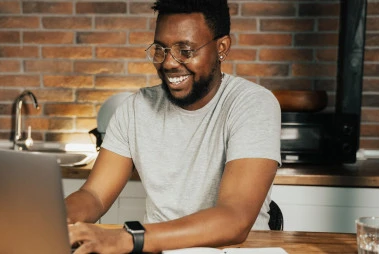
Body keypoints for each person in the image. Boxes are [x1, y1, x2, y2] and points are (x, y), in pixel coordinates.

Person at [65, 0, 281, 253]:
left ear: (222, 48)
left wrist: (126, 239)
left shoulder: (252, 104)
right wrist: (58, 220)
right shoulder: (135, 109)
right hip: (158, 249)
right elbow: (94, 195)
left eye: (185, 51)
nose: (168, 63)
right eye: (161, 49)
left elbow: (234, 219)